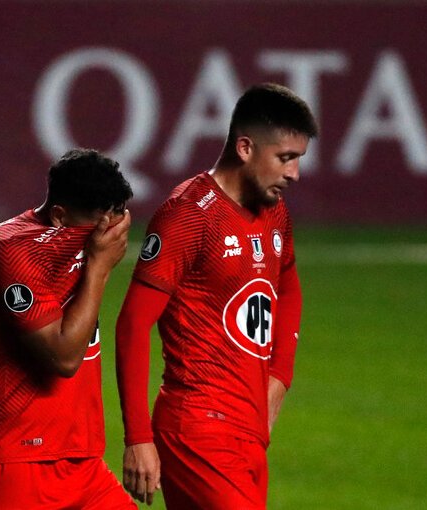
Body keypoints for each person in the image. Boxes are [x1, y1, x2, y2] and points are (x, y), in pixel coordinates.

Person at [115, 83, 318, 509]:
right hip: (199, 429)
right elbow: (133, 323)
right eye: (285, 158)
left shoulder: (273, 211)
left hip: (248, 431)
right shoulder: (188, 215)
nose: (294, 173)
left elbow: (290, 287)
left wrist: (280, 377)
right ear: (245, 148)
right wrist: (137, 437)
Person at [0, 149, 135, 510]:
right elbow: (64, 356)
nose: (110, 237)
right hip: (14, 469)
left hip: (82, 465)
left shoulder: (79, 239)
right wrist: (98, 269)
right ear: (59, 217)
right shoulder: (12, 252)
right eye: (97, 227)